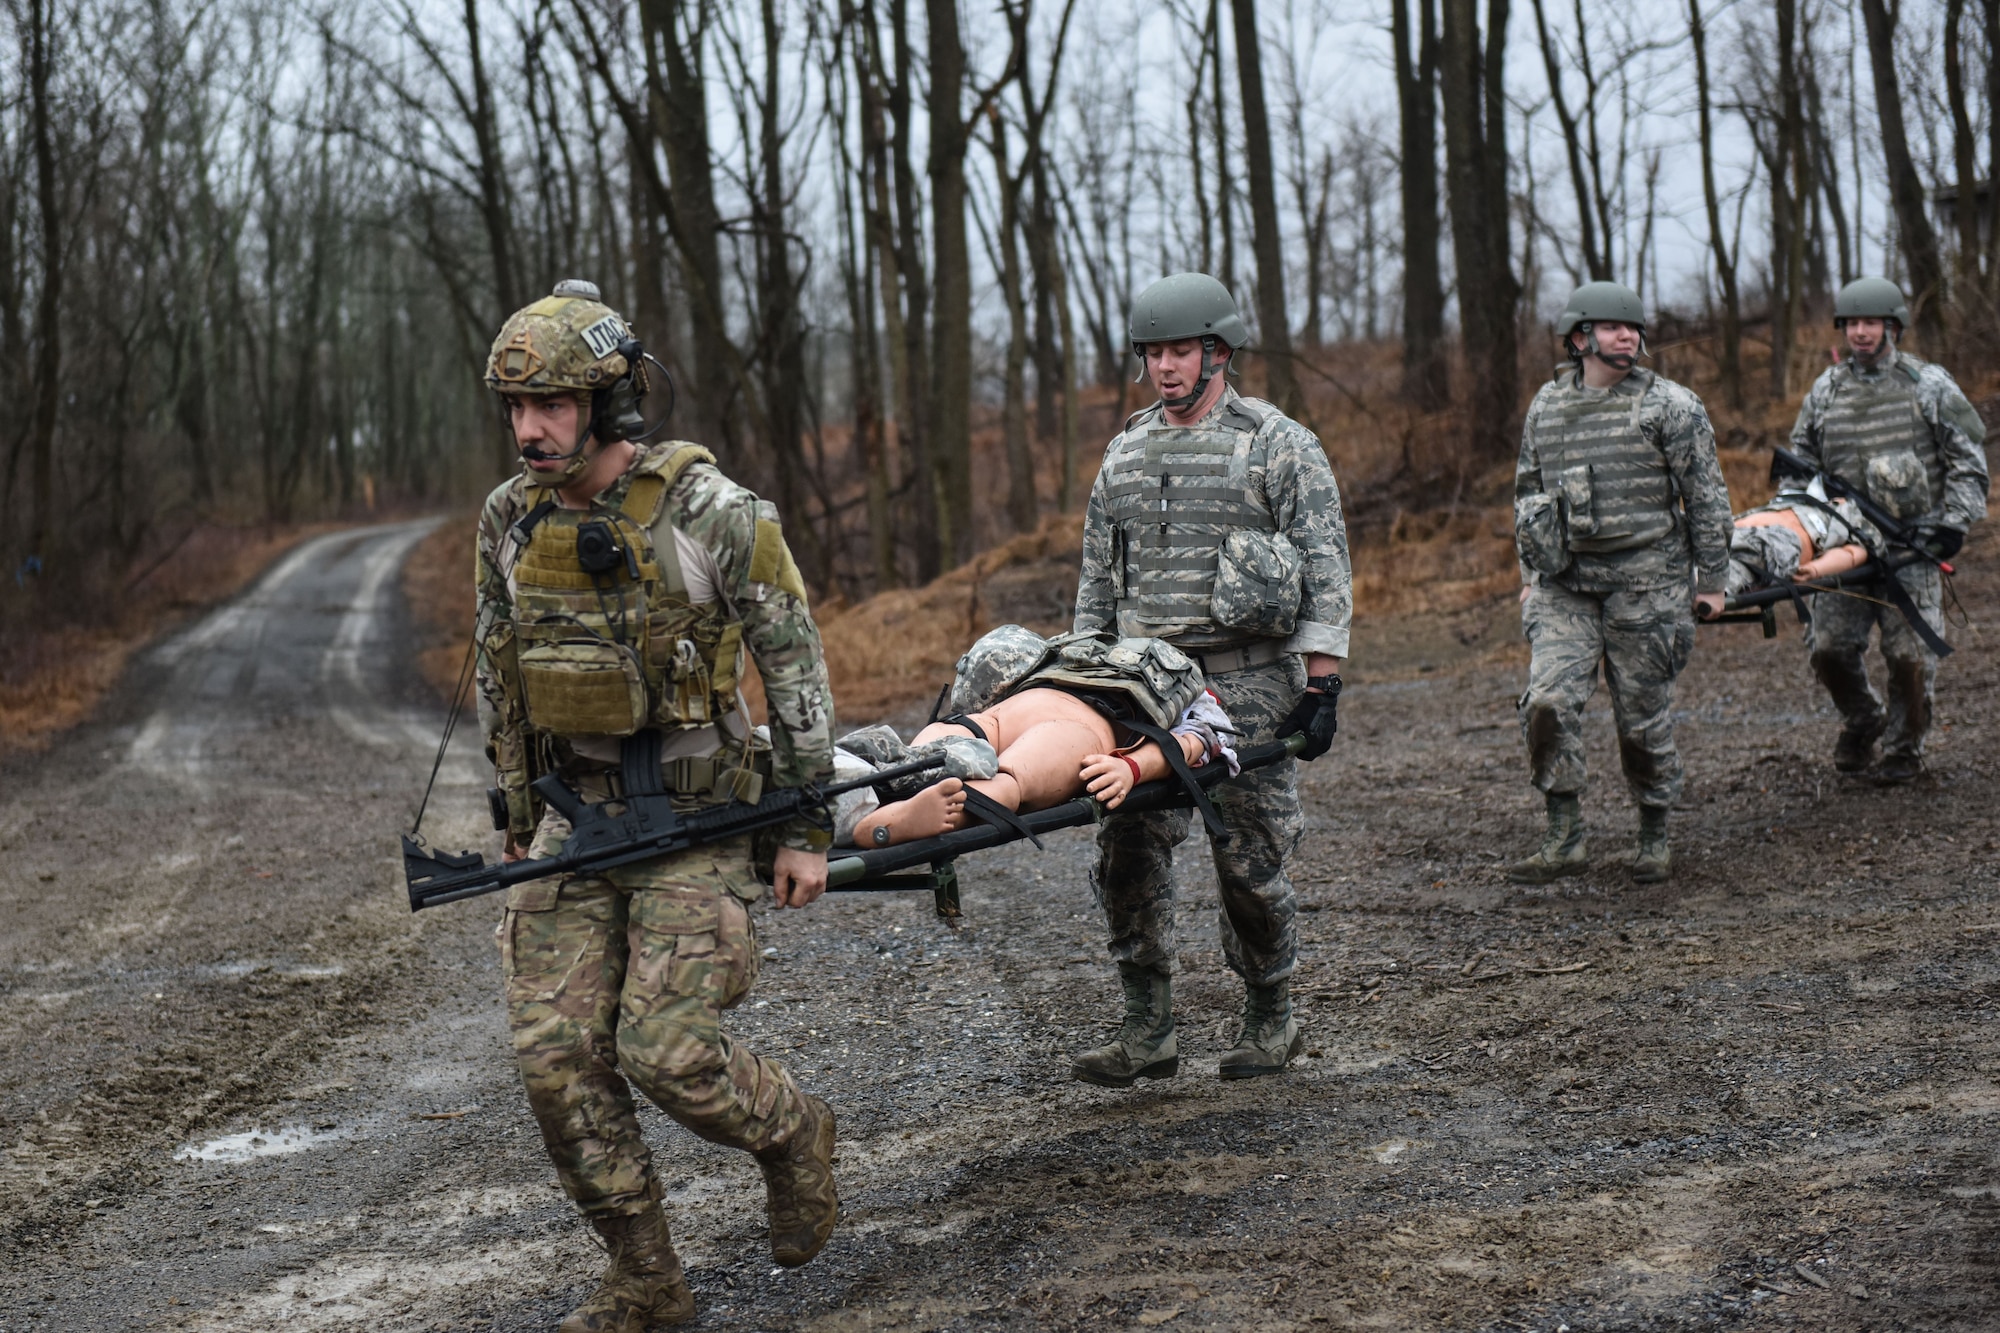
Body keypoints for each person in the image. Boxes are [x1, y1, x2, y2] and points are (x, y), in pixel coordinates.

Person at [473, 280, 839, 1330]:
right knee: (555, 1061)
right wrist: (512, 807)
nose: (529, 430)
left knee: (664, 1048)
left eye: (550, 406)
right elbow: (500, 668)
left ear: (607, 404)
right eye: (514, 409)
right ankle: (645, 1277)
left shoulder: (710, 513)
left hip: (697, 815)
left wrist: (806, 826)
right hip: (574, 816)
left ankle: (791, 1131)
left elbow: (794, 666)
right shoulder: (508, 519)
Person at [1071, 272, 1350, 1086]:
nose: (1165, 366)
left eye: (1181, 350)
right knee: (1124, 849)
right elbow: (1097, 578)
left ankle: (1271, 1011)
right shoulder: (1124, 451)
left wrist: (1323, 683)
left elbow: (1326, 563)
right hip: (1142, 688)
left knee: (1249, 863)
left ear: (1218, 351)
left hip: (1248, 681)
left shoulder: (1276, 443)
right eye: (1154, 351)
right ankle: (1148, 1023)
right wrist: (1081, 679)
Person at [1509, 281, 1732, 886]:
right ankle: (1565, 833)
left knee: (1641, 718)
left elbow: (1707, 499)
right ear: (1581, 337)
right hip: (1567, 583)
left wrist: (1712, 579)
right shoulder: (1548, 407)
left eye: (1633, 327)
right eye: (1612, 327)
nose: (1628, 335)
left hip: (1647, 583)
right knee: (1548, 703)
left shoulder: (1671, 407)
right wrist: (1532, 573)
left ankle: (1654, 829)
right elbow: (1529, 494)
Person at [1787, 278, 1989, 783]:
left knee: (1909, 657)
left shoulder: (1929, 385)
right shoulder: (1826, 391)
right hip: (1843, 548)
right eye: (1852, 323)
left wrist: (1952, 525)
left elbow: (1969, 463)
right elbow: (1797, 466)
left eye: (1870, 323)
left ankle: (1904, 750)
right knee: (1828, 649)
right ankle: (1863, 719)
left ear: (1892, 326)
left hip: (1912, 546)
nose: (1860, 332)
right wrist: (1801, 525)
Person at [839, 627, 1240, 847]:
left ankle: (860, 776)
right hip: (1077, 732)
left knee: (918, 755)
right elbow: (1203, 740)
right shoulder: (1189, 688)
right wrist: (1132, 767)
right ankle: (897, 822)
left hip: (1000, 716)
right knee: (1012, 784)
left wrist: (1131, 768)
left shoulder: (1075, 654)